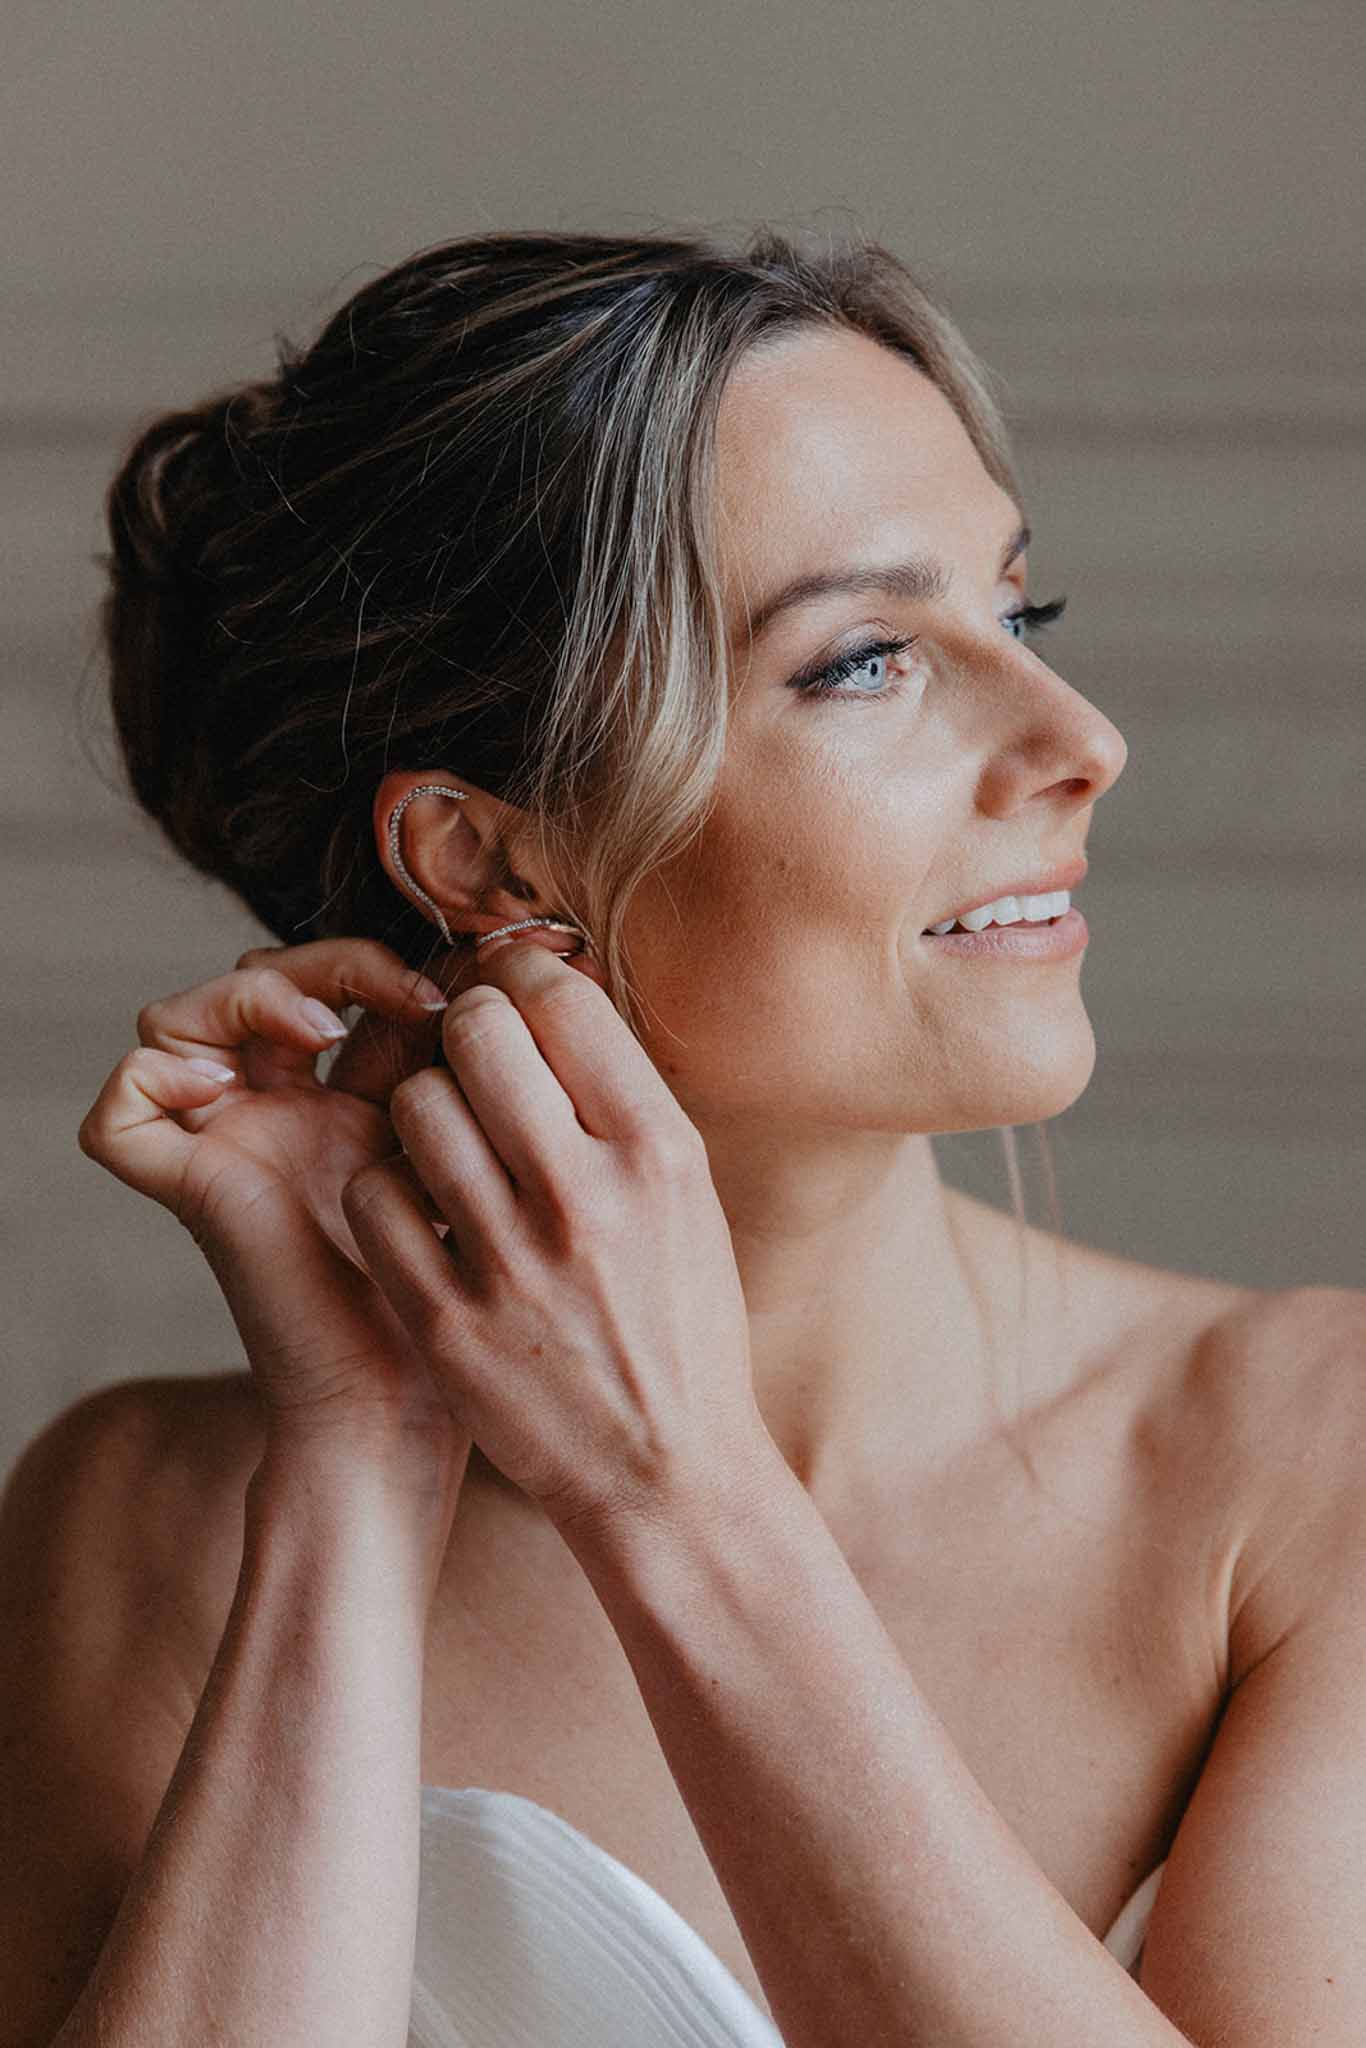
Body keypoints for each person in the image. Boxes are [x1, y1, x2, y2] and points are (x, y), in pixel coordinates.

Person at [3, 228, 1363, 2048]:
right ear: (485, 859)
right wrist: (353, 1463)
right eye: (870, 658)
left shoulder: (1315, 1466)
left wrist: (679, 1495)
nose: (1079, 737)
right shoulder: (139, 1525)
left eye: (1018, 614)